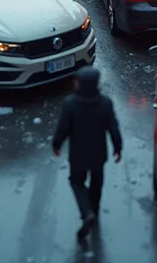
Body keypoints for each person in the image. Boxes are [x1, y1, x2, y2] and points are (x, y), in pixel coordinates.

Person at [53, 67, 122, 242]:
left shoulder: (70, 104)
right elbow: (113, 128)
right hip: (99, 155)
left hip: (78, 156)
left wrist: (56, 144)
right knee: (97, 182)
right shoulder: (105, 103)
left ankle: (86, 212)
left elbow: (63, 129)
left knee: (76, 182)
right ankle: (94, 211)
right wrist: (117, 147)